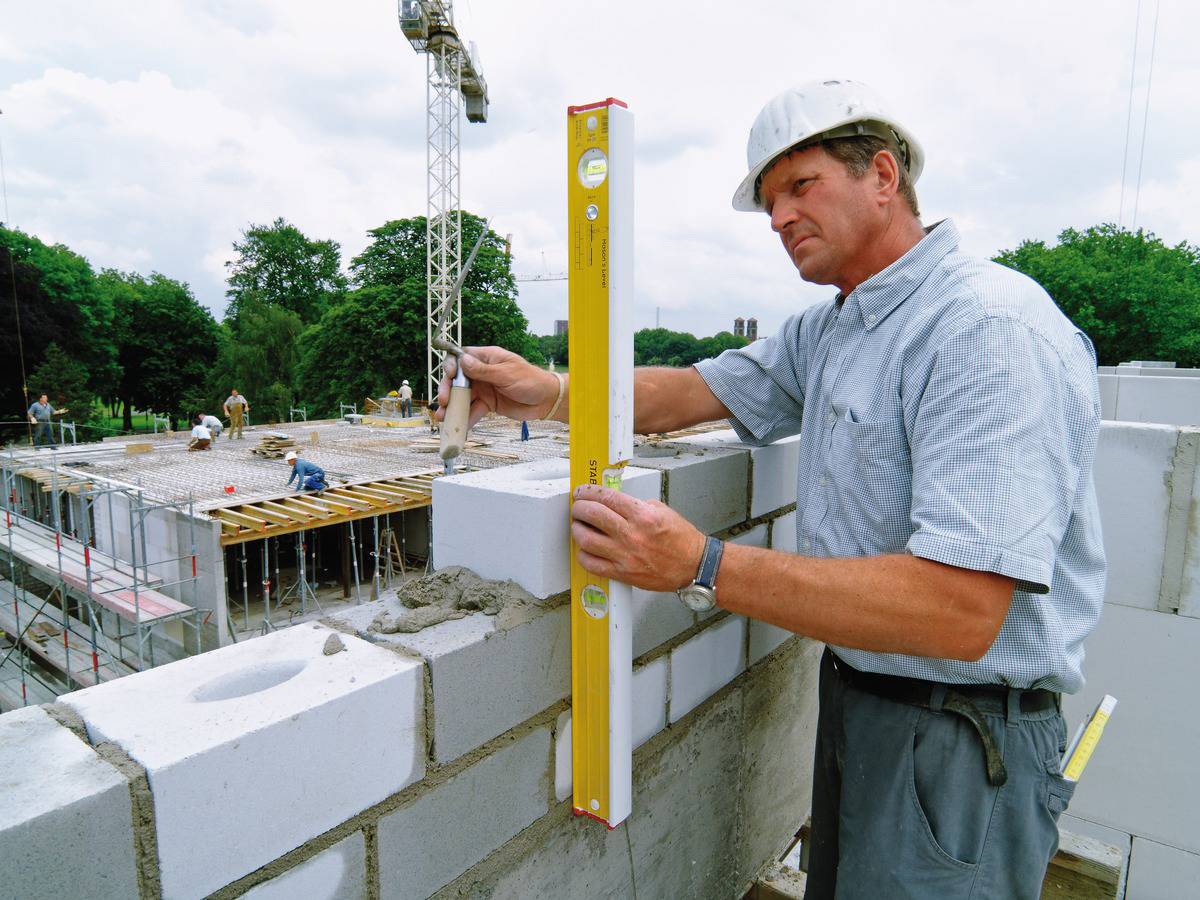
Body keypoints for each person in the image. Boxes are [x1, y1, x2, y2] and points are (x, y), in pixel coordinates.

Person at [436, 78, 1105, 899]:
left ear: (884, 177)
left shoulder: (985, 329)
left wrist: (702, 564)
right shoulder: (837, 326)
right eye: (769, 200)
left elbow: (963, 607)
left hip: (962, 738)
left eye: (801, 185)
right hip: (866, 702)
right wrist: (550, 390)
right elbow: (692, 392)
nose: (780, 217)